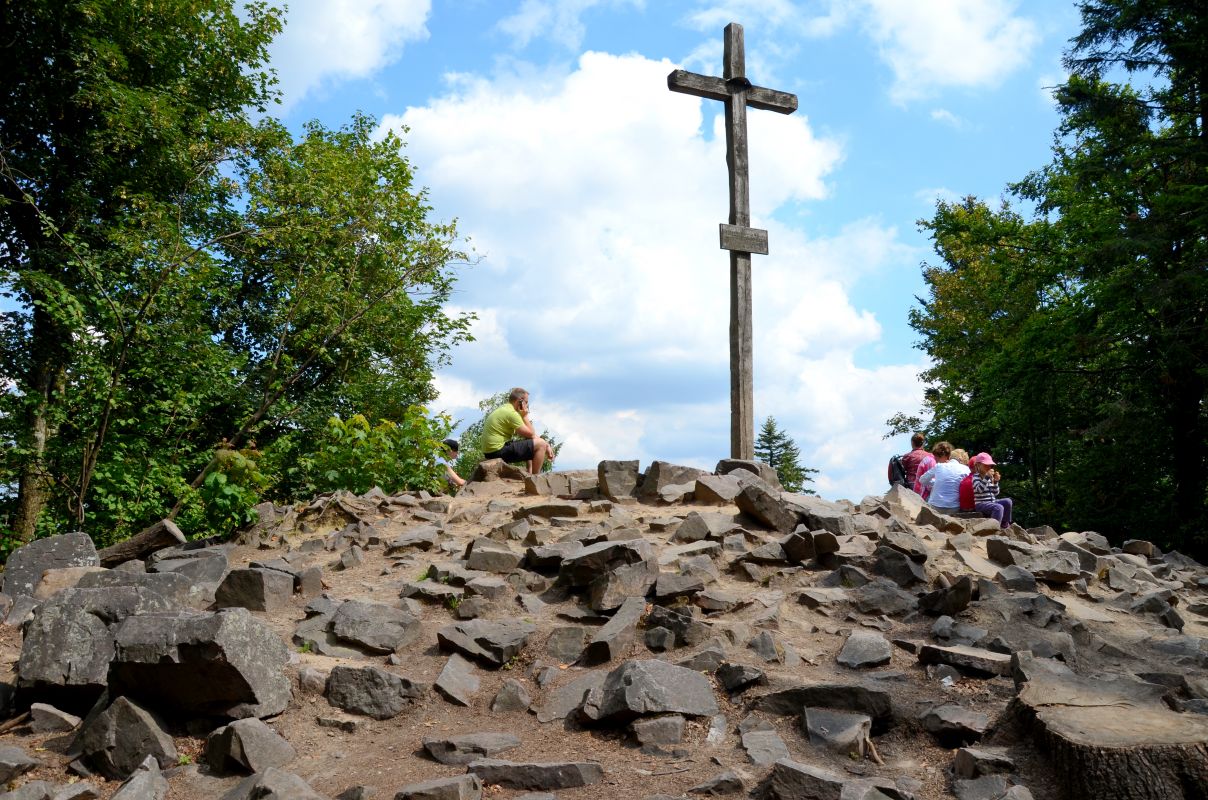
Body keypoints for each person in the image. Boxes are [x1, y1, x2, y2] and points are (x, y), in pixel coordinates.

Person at [479, 387, 555, 474]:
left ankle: (530, 472)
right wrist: (525, 416)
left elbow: (529, 437)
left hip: (490, 452)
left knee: (533, 442)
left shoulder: (504, 408)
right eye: (526, 402)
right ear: (520, 401)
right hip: (497, 451)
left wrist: (547, 445)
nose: (527, 406)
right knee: (540, 444)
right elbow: (531, 434)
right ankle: (535, 479)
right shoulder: (512, 413)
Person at [917, 441, 969, 513]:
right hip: (954, 507)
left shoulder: (939, 466)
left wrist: (935, 482)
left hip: (935, 506)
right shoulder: (966, 469)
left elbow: (922, 480)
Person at [971, 452, 1013, 529]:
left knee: (1008, 501)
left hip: (991, 502)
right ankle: (993, 528)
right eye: (985, 465)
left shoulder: (989, 477)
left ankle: (1004, 523)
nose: (988, 467)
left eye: (990, 466)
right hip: (981, 504)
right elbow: (979, 490)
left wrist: (996, 482)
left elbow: (996, 493)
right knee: (998, 507)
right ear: (978, 465)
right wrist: (986, 478)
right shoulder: (975, 477)